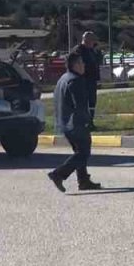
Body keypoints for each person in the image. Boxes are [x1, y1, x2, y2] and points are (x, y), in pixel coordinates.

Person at [46, 53, 101, 193]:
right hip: (76, 123)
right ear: (74, 65)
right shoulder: (76, 80)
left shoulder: (63, 79)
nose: (84, 65)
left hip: (64, 123)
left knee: (79, 152)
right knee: (83, 153)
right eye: (81, 63)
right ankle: (59, 174)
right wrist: (87, 121)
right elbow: (80, 105)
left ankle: (83, 180)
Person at [73, 32, 103, 130]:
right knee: (83, 102)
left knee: (92, 102)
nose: (93, 42)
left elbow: (97, 61)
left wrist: (98, 53)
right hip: (82, 80)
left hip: (92, 80)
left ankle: (90, 122)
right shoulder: (79, 50)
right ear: (86, 40)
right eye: (92, 40)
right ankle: (83, 123)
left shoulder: (92, 50)